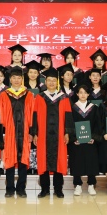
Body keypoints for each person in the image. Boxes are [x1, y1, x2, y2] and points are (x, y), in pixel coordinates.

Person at [31, 67, 72, 198]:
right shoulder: (39, 97)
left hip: (59, 135)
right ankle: (45, 189)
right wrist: (35, 133)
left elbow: (68, 116)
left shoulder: (64, 97)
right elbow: (34, 116)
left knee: (59, 160)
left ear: (57, 82)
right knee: (43, 160)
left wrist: (67, 132)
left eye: (54, 80)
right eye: (49, 80)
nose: (51, 83)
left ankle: (58, 189)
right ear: (45, 82)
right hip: (43, 135)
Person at [0, 67, 34, 198]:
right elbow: (1, 115)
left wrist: (31, 132)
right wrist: (3, 133)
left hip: (24, 132)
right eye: (14, 78)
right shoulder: (4, 95)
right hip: (10, 132)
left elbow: (32, 114)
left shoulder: (29, 95)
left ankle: (21, 188)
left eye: (19, 78)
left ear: (22, 79)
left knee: (23, 160)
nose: (16, 80)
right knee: (9, 159)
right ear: (10, 79)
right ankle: (9, 188)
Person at [69, 85, 100, 196]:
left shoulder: (94, 108)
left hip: (90, 141)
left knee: (91, 161)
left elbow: (97, 125)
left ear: (88, 94)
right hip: (77, 142)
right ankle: (77, 185)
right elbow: (69, 124)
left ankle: (91, 184)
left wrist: (93, 137)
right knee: (77, 161)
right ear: (77, 94)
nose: (83, 95)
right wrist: (73, 138)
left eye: (85, 92)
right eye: (80, 92)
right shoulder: (72, 108)